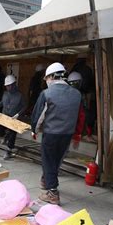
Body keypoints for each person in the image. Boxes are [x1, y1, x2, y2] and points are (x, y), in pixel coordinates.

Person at [31, 62, 82, 205]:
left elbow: (38, 115)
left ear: (53, 76)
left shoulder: (47, 94)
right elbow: (79, 116)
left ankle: (52, 193)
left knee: (48, 160)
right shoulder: (77, 94)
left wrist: (34, 130)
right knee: (57, 159)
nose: (46, 81)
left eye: (47, 78)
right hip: (67, 134)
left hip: (52, 133)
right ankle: (46, 180)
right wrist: (78, 134)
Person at [0, 75, 26, 160]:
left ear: (14, 84)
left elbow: (24, 107)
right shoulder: (5, 94)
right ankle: (6, 136)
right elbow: (2, 103)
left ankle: (8, 151)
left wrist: (18, 114)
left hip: (14, 118)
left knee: (12, 134)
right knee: (0, 131)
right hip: (5, 116)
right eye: (7, 86)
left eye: (9, 85)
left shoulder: (19, 95)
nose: (8, 87)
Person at [71, 56, 96, 142]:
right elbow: (89, 84)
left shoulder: (74, 69)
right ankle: (86, 134)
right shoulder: (87, 69)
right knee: (86, 114)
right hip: (85, 94)